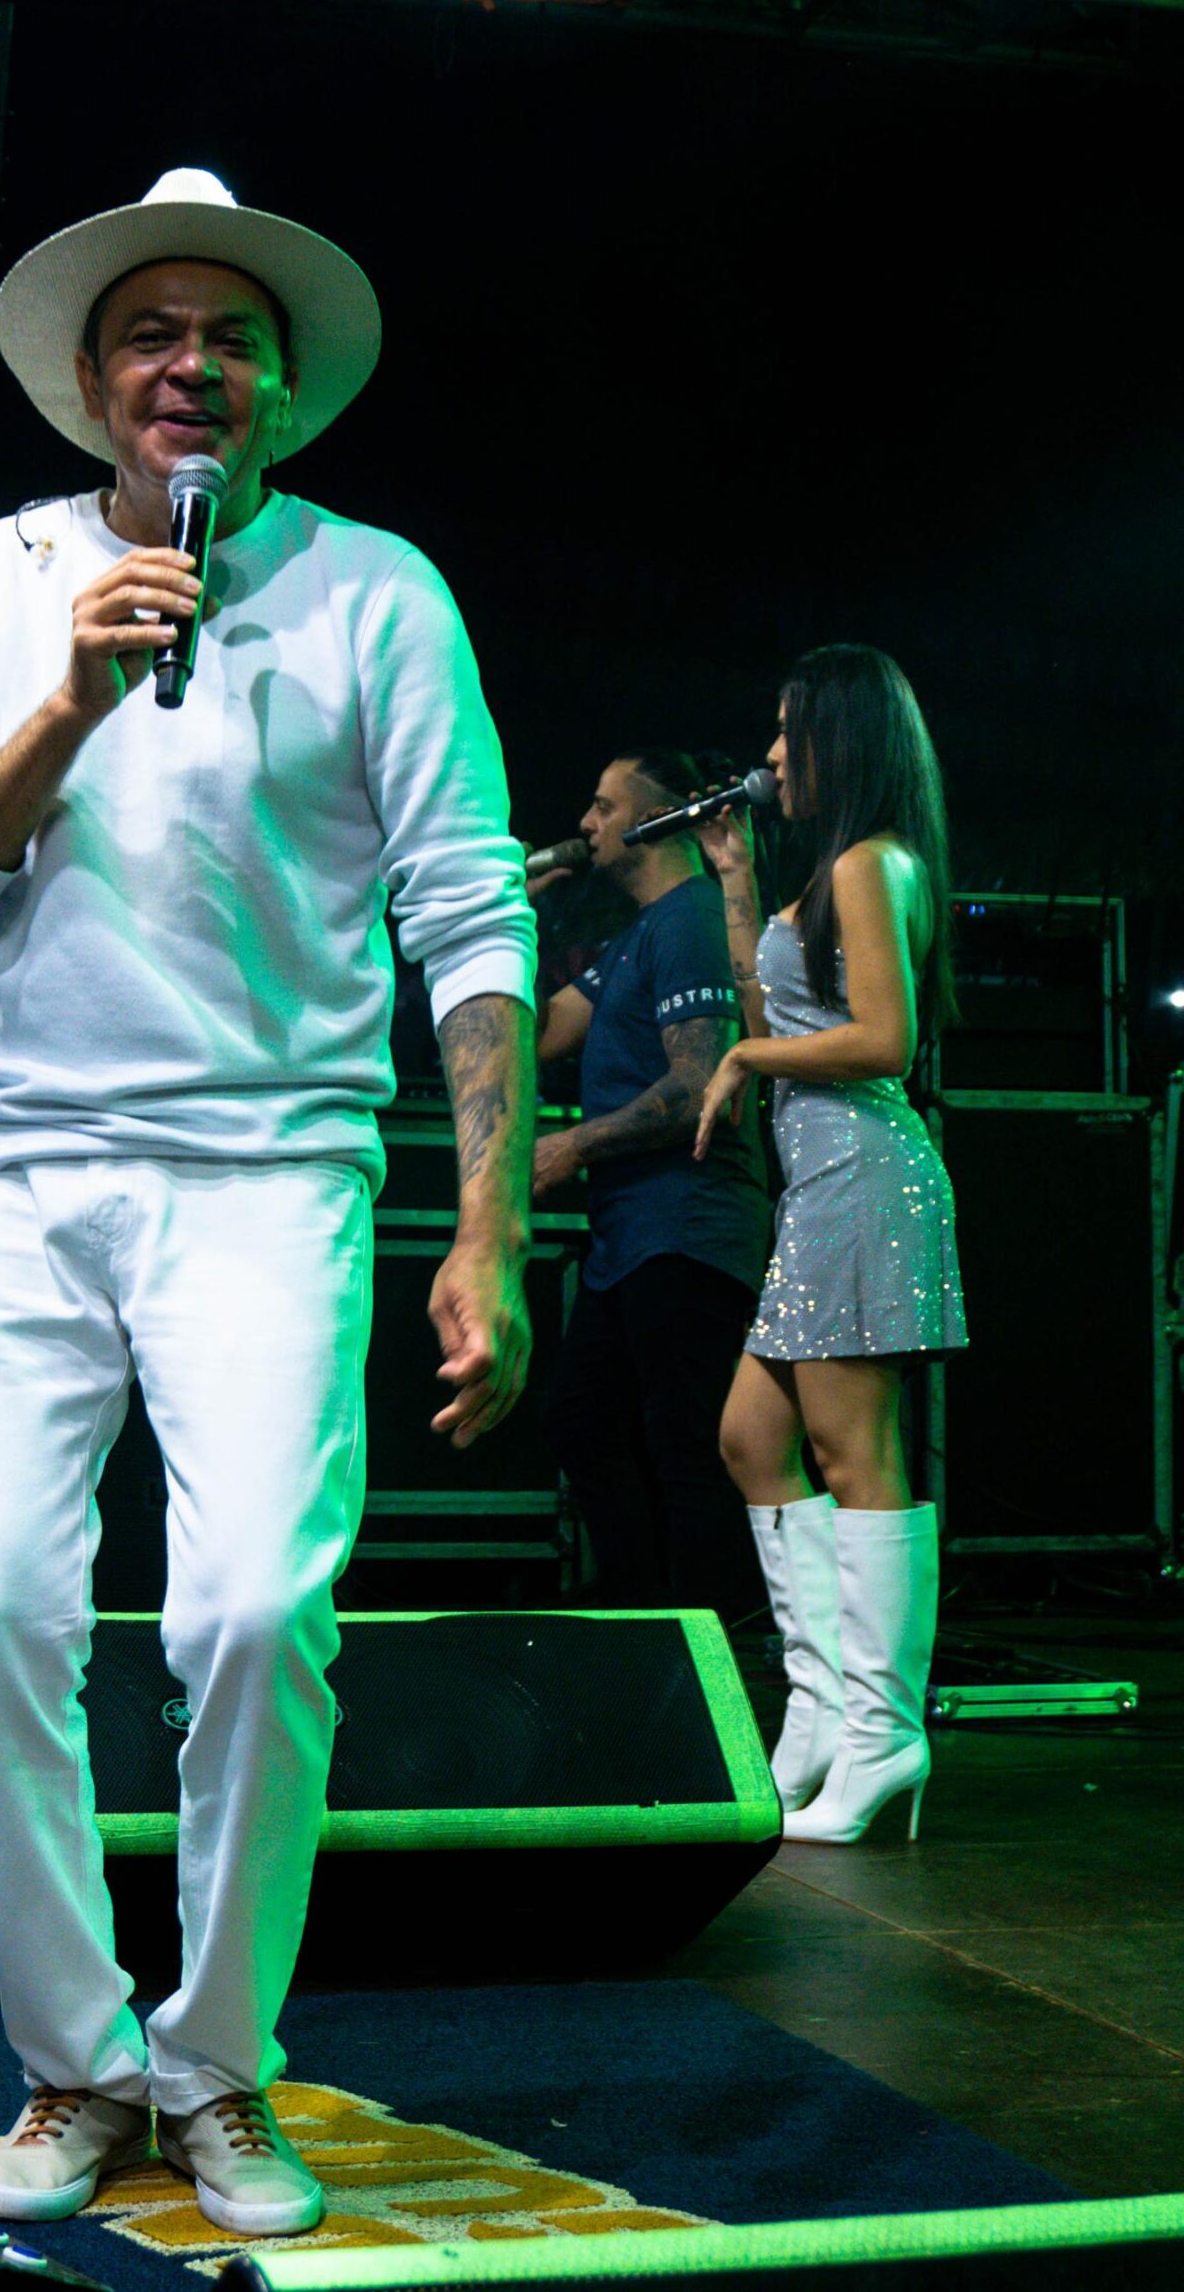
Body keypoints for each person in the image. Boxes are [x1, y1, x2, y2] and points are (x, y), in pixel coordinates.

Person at [0, 169, 536, 2235]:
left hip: (269, 1171)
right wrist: (65, 698)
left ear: (282, 392)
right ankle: (73, 2060)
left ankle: (217, 2064)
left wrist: (487, 1226)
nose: (189, 364)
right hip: (16, 1160)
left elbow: (469, 907)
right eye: (149, 331)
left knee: (251, 1614)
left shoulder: (376, 591)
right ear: (87, 381)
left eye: (230, 337)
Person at [694, 645, 966, 1845]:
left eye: (789, 731)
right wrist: (738, 883)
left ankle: (881, 1733)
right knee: (752, 1437)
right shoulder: (834, 867)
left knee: (856, 1454)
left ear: (842, 739)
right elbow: (782, 1015)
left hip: (863, 1175)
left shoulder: (870, 861)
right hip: (824, 1185)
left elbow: (883, 1041)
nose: (770, 755)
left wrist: (747, 1059)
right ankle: (817, 1710)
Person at [531, 751, 771, 1623]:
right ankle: (641, 1613)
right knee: (585, 1420)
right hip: (631, 1237)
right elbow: (541, 1032)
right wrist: (516, 921)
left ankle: (709, 1634)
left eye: (603, 807)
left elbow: (698, 1084)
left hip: (686, 1226)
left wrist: (574, 1145)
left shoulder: (692, 919)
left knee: (685, 1443)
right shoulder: (638, 935)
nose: (585, 824)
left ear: (650, 820)